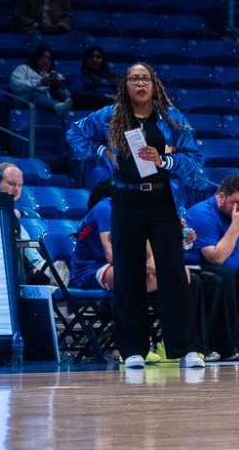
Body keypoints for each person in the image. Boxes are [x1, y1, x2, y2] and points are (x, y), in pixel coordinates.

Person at [65, 62, 208, 369]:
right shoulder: (111, 115)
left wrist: (165, 160)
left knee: (173, 273)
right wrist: (103, 152)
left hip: (162, 199)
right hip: (125, 200)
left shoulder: (171, 118)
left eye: (145, 79)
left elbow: (195, 160)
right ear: (125, 85)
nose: (140, 84)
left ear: (154, 85)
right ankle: (132, 350)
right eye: (134, 79)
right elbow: (74, 133)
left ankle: (186, 349)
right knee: (128, 273)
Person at [182, 176, 239, 362]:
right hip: (197, 268)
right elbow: (215, 258)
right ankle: (231, 345)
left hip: (228, 270)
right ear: (221, 197)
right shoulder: (203, 214)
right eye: (235, 203)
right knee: (224, 274)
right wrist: (237, 224)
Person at [10, 44, 73, 126]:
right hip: (25, 102)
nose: (46, 60)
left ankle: (58, 108)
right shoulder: (23, 69)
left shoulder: (54, 74)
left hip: (48, 103)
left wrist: (59, 86)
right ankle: (57, 107)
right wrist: (40, 83)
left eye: (49, 58)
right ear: (35, 58)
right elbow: (16, 85)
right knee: (37, 94)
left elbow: (68, 96)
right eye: (42, 57)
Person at [74, 46, 116, 112]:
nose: (94, 60)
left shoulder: (112, 77)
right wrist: (102, 96)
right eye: (91, 57)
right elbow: (76, 95)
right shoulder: (78, 75)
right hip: (92, 104)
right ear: (86, 60)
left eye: (98, 57)